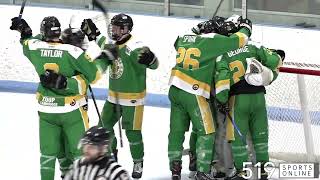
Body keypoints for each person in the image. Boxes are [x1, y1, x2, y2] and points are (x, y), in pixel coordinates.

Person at [10, 16, 117, 180]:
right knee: (79, 152)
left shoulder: (33, 47)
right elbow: (93, 76)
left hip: (46, 110)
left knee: (48, 154)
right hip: (72, 110)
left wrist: (24, 31)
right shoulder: (72, 52)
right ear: (59, 32)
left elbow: (27, 42)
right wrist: (105, 59)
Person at [167, 14, 252, 180]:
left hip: (175, 89)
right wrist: (245, 26)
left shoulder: (185, 37)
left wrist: (197, 28)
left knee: (176, 131)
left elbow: (177, 42)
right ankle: (203, 170)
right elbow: (241, 40)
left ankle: (175, 168)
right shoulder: (214, 40)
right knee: (207, 131)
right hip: (194, 92)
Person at [80, 13, 159, 179]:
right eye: (112, 26)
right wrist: (92, 33)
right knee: (104, 128)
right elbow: (102, 41)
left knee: (133, 133)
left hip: (133, 100)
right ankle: (111, 155)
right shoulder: (112, 43)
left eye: (116, 27)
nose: (113, 30)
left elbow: (154, 64)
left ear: (125, 29)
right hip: (113, 98)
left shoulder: (135, 47)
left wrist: (151, 59)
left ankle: (138, 161)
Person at [215, 42, 284, 180]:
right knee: (261, 137)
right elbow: (275, 60)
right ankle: (264, 170)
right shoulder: (254, 46)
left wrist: (222, 100)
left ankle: (243, 172)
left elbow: (222, 79)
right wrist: (273, 72)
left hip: (238, 100)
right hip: (258, 98)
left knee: (238, 140)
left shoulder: (223, 53)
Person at [64, 126, 130, 180]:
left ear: (103, 149)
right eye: (85, 146)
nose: (86, 150)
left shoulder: (116, 172)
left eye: (91, 147)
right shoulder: (77, 166)